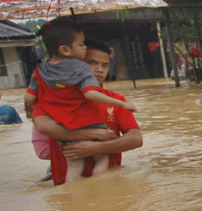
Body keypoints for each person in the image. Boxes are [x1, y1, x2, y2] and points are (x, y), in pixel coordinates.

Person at [25, 21, 137, 184]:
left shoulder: (116, 100)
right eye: (91, 63)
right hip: (65, 188)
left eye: (104, 65)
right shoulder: (48, 99)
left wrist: (96, 147)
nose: (99, 70)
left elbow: (135, 139)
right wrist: (95, 135)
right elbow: (42, 126)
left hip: (108, 187)